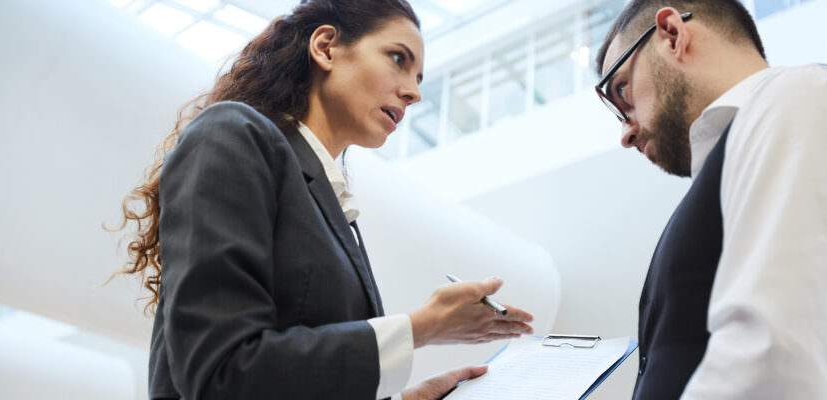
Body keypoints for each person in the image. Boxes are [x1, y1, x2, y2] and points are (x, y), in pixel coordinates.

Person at [112, 1, 534, 399]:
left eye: (419, 78)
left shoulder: (331, 204)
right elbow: (222, 374)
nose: (413, 93)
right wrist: (421, 328)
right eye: (398, 59)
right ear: (326, 47)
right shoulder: (232, 133)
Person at [593, 1, 827, 399]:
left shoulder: (809, 99)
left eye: (621, 90)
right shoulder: (749, 154)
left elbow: (772, 366)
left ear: (673, 34)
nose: (625, 133)